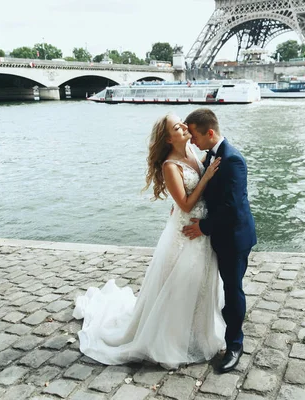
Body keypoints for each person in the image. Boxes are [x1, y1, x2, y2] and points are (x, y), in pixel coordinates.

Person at [73, 113, 225, 369]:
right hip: (185, 233)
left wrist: (207, 178)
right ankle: (171, 338)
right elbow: (186, 204)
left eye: (183, 124)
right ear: (168, 138)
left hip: (200, 230)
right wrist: (207, 177)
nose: (184, 127)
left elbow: (193, 190)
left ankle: (198, 333)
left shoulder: (191, 150)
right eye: (177, 127)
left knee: (199, 281)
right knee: (178, 285)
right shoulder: (169, 165)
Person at [183, 108, 257, 373]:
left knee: (232, 289)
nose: (191, 141)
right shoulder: (210, 156)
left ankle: (235, 345)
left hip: (234, 237)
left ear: (210, 133)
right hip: (218, 234)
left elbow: (232, 207)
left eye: (194, 135)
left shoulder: (233, 160)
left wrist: (203, 227)